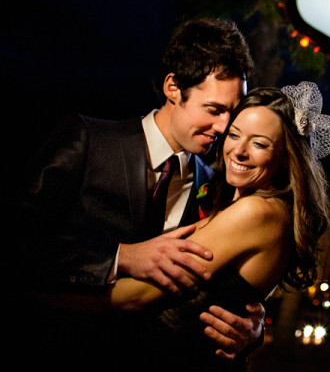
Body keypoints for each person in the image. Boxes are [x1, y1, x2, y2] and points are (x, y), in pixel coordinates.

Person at [15, 19, 263, 365]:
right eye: (214, 110)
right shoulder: (88, 140)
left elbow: (220, 282)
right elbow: (16, 247)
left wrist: (252, 327)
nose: (223, 127)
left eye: (231, 114)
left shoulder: (217, 188)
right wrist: (123, 257)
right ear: (173, 87)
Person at [110, 83, 330, 370]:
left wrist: (51, 293)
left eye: (259, 143)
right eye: (234, 134)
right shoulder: (226, 194)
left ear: (284, 158)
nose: (238, 151)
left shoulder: (257, 211)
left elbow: (137, 295)